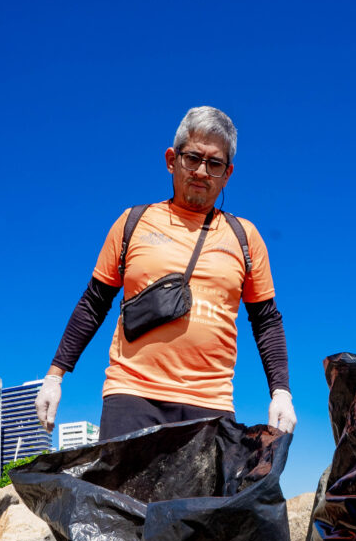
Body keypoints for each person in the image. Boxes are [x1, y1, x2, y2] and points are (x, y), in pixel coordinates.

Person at [35, 106, 296, 440]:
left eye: (214, 163)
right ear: (172, 159)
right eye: (193, 158)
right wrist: (55, 376)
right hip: (132, 394)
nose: (202, 171)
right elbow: (94, 302)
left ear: (227, 173)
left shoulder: (245, 236)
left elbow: (266, 320)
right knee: (119, 494)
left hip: (210, 402)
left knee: (205, 495)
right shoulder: (133, 222)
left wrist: (281, 393)